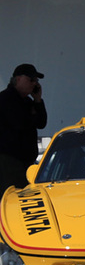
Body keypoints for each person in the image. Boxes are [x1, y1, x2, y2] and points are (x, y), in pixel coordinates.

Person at [0, 64, 47, 193]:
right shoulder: (6, 99)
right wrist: (31, 114)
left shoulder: (26, 101)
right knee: (11, 196)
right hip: (10, 161)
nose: (34, 84)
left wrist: (37, 100)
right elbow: (19, 123)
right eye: (31, 80)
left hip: (26, 162)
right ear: (18, 79)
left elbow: (41, 123)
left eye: (36, 81)